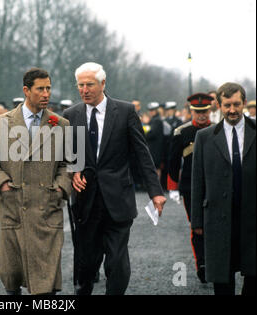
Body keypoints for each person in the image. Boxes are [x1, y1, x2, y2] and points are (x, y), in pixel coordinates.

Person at [63, 62, 166, 295]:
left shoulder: (126, 111)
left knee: (117, 262)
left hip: (118, 199)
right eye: (80, 85)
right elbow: (64, 154)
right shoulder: (71, 115)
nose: (84, 90)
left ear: (103, 83)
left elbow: (142, 154)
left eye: (89, 84)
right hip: (85, 200)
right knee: (86, 263)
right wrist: (73, 170)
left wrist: (156, 192)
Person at [0, 68, 72, 295]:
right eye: (40, 89)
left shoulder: (59, 124)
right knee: (12, 276)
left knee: (45, 281)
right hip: (14, 207)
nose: (46, 94)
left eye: (48, 88)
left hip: (46, 210)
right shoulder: (0, 123)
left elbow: (69, 164)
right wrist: (1, 183)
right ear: (26, 91)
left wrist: (60, 188)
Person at [191, 82, 255, 295]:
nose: (232, 110)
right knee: (222, 278)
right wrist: (197, 220)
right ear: (219, 105)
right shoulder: (205, 137)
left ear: (244, 103)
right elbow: (197, 180)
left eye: (237, 104)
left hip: (252, 217)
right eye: (227, 105)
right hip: (218, 217)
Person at [167, 93, 214, 283]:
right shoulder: (182, 132)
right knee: (197, 226)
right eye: (197, 112)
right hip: (190, 186)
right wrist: (173, 187)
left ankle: (213, 261)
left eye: (205, 112)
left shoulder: (218, 130)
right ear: (191, 111)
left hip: (214, 186)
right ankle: (201, 263)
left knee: (214, 226)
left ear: (211, 110)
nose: (201, 115)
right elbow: (172, 161)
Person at [145, 102, 165, 180]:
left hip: (156, 149)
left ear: (156, 110)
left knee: (156, 168)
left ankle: (157, 187)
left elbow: (152, 134)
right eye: (150, 110)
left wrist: (144, 133)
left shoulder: (157, 121)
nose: (151, 112)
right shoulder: (154, 120)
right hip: (153, 148)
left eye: (152, 110)